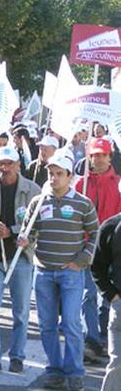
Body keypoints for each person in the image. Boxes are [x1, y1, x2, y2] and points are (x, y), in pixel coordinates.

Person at [19, 153, 98, 391]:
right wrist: (25, 239)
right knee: (47, 325)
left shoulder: (83, 203)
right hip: (43, 272)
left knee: (72, 323)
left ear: (69, 177)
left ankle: (75, 373)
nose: (53, 178)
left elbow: (94, 234)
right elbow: (28, 231)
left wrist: (83, 260)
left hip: (71, 273)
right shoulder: (38, 202)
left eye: (59, 174)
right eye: (50, 173)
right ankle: (55, 370)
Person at [0, 146, 40, 374]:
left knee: (21, 311)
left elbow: (37, 225)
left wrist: (12, 231)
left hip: (20, 257)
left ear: (18, 164)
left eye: (9, 163)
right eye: (1, 164)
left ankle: (17, 356)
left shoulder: (32, 190)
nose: (5, 168)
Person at [74, 137, 121, 363]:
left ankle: (104, 337)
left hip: (113, 248)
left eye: (103, 154)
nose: (99, 159)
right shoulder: (80, 184)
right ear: (89, 158)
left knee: (108, 296)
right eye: (94, 155)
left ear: (110, 156)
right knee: (88, 295)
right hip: (87, 246)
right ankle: (92, 340)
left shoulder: (119, 183)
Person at [90, 209, 121, 391]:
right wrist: (113, 297)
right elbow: (97, 268)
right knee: (117, 364)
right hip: (120, 307)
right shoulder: (110, 227)